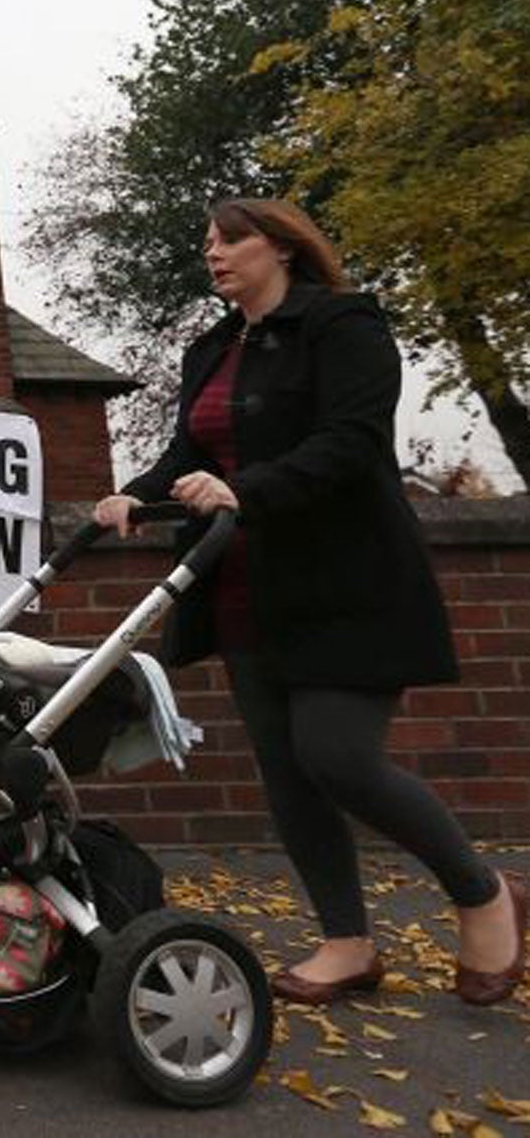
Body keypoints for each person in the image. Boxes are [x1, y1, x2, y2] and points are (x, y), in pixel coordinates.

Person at [94, 198, 525, 1007]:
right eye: (207, 245)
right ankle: (348, 942)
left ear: (283, 249)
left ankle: (484, 893)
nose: (215, 254)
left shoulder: (342, 324)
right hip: (245, 591)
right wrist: (133, 493)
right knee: (288, 774)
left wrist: (243, 491)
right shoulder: (214, 348)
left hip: (347, 583)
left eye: (232, 239)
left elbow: (352, 440)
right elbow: (191, 450)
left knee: (338, 756)